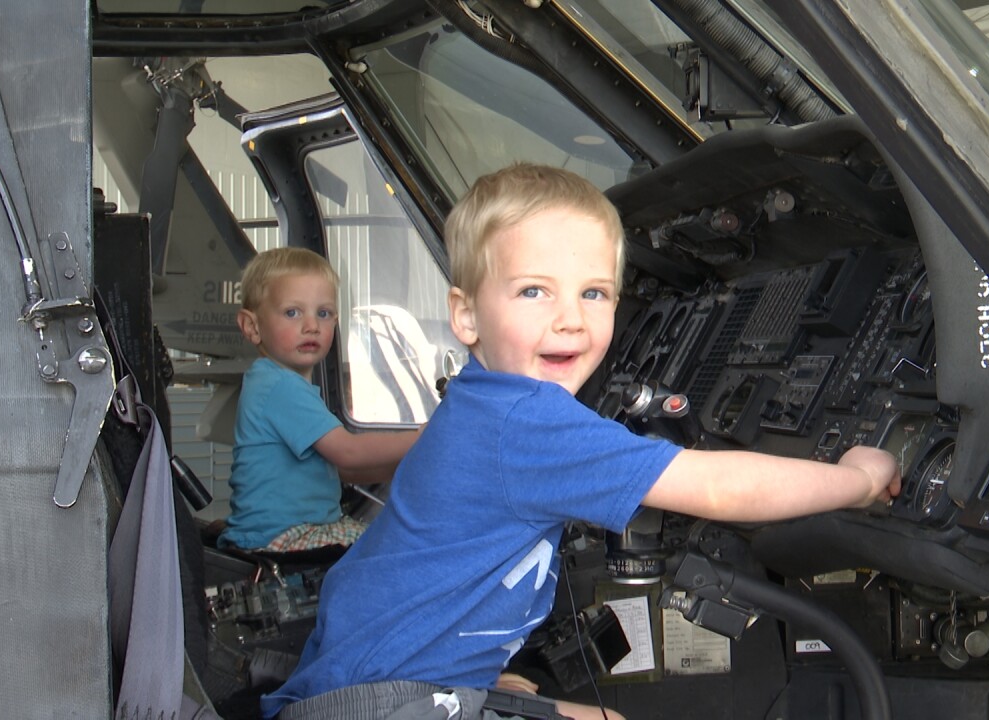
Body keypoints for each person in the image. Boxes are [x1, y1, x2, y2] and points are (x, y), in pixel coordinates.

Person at [261, 164, 901, 720]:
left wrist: (469, 672)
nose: (570, 317)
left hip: (363, 684)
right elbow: (715, 485)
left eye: (593, 293)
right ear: (465, 315)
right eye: (533, 291)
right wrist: (859, 479)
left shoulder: (483, 400)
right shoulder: (527, 422)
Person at [217, 247, 422, 554]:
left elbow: (342, 472)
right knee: (402, 549)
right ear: (252, 326)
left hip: (293, 528)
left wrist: (407, 466)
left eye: (323, 313)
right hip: (285, 536)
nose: (311, 325)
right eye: (292, 312)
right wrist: (425, 437)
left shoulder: (277, 382)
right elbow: (348, 453)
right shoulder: (279, 386)